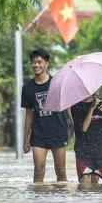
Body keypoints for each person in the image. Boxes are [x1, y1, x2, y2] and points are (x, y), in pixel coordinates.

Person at [22, 48, 70, 182]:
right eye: (33, 62)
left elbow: (67, 107)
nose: (36, 65)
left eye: (39, 62)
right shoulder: (28, 87)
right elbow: (29, 114)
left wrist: (76, 126)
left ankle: (61, 199)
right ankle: (38, 199)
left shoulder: (57, 83)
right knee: (38, 169)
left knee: (60, 170)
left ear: (47, 64)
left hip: (58, 131)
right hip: (38, 134)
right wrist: (26, 139)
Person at [70, 94, 102, 186]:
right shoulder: (76, 106)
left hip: (100, 149)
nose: (98, 88)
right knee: (85, 181)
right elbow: (84, 128)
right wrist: (92, 108)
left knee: (95, 183)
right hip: (83, 149)